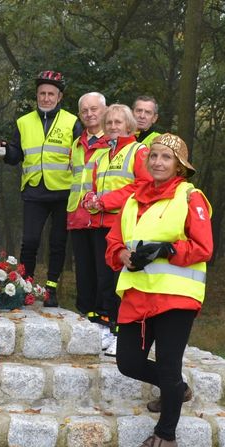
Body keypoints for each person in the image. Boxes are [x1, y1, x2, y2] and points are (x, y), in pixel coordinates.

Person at [105, 133, 213, 447]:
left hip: (176, 298)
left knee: (168, 367)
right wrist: (121, 254)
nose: (158, 162)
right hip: (138, 295)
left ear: (179, 165)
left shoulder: (190, 196)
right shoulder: (133, 199)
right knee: (128, 362)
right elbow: (114, 240)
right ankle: (176, 390)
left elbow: (204, 247)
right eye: (154, 156)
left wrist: (168, 249)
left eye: (166, 157)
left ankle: (165, 436)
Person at [0, 70, 83, 307]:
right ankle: (25, 286)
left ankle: (51, 289)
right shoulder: (23, 122)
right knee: (31, 241)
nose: (46, 98)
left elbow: (82, 153)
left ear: (59, 96)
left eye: (51, 94)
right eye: (42, 93)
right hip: (34, 189)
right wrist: (5, 148)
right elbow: (16, 155)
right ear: (37, 95)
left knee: (57, 243)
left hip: (63, 191)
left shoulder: (72, 121)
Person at [81, 104, 151, 356]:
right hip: (100, 223)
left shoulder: (138, 151)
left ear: (129, 126)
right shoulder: (101, 154)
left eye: (118, 122)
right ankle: (106, 327)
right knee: (103, 279)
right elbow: (93, 186)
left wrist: (106, 202)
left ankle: (122, 333)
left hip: (124, 226)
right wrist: (90, 199)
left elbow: (143, 186)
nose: (112, 126)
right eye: (108, 122)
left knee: (119, 280)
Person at [66, 92, 112, 329]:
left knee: (103, 273)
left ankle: (104, 322)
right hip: (77, 216)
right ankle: (84, 318)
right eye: (84, 111)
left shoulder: (113, 142)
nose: (89, 114)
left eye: (94, 109)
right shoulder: (76, 143)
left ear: (105, 110)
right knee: (83, 273)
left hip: (101, 217)